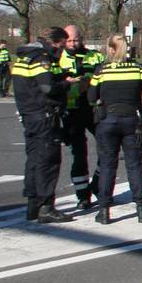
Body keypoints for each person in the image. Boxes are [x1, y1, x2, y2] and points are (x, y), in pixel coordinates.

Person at [89, 35, 142, 224]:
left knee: (107, 165)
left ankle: (104, 211)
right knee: (135, 165)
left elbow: (90, 96)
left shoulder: (102, 70)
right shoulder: (138, 68)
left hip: (108, 121)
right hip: (132, 120)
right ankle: (141, 209)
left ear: (111, 49)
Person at [11, 27, 74, 223]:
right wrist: (66, 83)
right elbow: (47, 87)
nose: (62, 50)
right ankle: (46, 206)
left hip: (28, 114)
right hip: (44, 115)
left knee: (34, 159)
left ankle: (33, 204)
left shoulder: (24, 57)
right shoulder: (41, 58)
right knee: (48, 161)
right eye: (62, 45)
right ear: (55, 42)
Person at [58, 25, 105, 208]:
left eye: (75, 40)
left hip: (93, 109)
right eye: (68, 40)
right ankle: (82, 195)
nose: (72, 43)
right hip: (72, 111)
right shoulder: (59, 58)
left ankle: (97, 184)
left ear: (82, 38)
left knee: (107, 148)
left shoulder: (95, 56)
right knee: (79, 153)